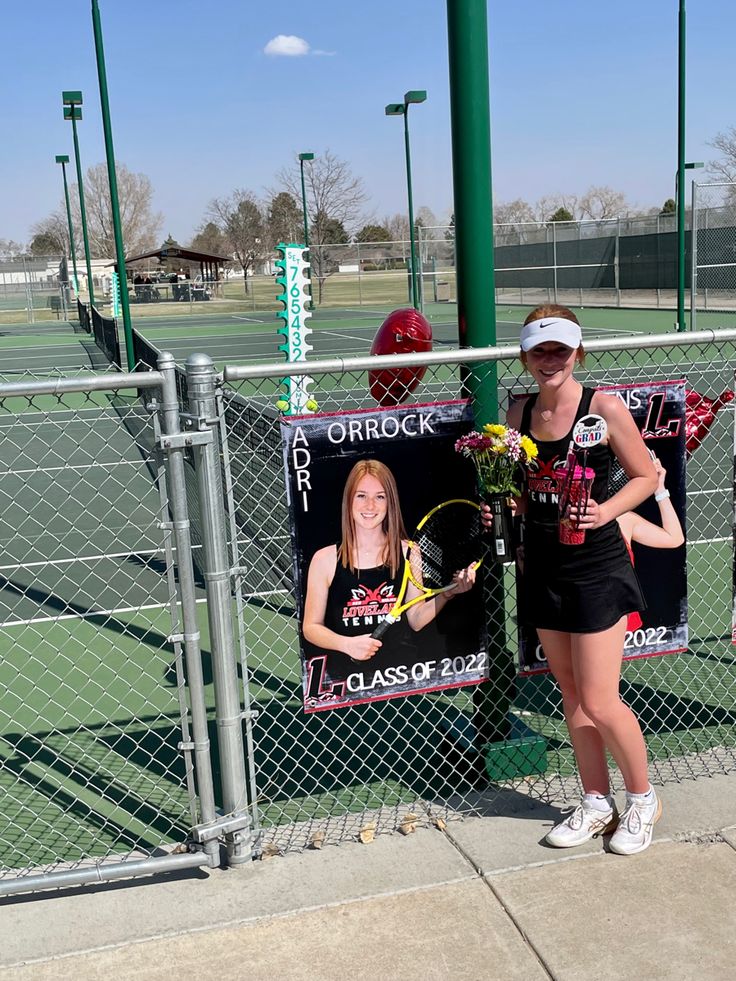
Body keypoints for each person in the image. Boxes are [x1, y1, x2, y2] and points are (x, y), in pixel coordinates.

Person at [485, 304, 660, 855]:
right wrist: (503, 507)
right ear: (525, 357)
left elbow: (646, 476)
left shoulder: (602, 406)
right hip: (542, 564)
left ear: (577, 352)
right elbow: (520, 487)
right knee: (572, 695)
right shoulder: (517, 412)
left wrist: (605, 513)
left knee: (603, 700)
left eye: (560, 350)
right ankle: (595, 801)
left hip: (595, 567)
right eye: (539, 351)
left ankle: (643, 800)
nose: (550, 360)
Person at [303, 459, 477, 687]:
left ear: (390, 503)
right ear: (349, 500)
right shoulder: (324, 559)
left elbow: (415, 618)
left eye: (380, 497)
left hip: (399, 678)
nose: (370, 506)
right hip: (347, 684)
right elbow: (310, 627)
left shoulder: (409, 552)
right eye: (361, 495)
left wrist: (447, 594)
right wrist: (347, 644)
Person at [617, 454, 685, 632]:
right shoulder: (563, 522)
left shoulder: (624, 520)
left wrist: (659, 488)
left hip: (616, 615)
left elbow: (674, 538)